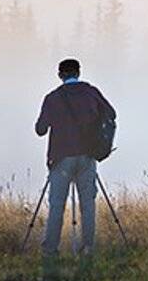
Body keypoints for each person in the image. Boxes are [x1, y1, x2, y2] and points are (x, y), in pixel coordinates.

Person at [35, 58, 117, 258]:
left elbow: (40, 130)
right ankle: (87, 248)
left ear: (60, 75)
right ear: (78, 73)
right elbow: (111, 114)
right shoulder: (91, 92)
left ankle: (50, 251)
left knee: (57, 205)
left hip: (61, 158)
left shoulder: (52, 98)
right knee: (87, 205)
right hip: (88, 156)